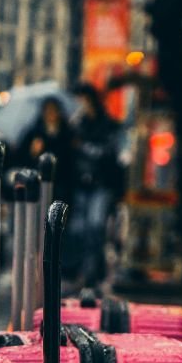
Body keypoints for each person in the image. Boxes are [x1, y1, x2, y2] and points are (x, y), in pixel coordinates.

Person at [67, 81, 125, 287]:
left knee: (95, 226)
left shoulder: (106, 125)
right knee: (80, 230)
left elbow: (110, 155)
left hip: (101, 184)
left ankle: (92, 272)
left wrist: (82, 146)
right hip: (81, 185)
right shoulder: (77, 125)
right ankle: (86, 270)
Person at [22, 96, 75, 202]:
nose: (50, 113)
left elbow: (71, 157)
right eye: (47, 110)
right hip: (40, 183)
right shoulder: (35, 132)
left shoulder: (67, 132)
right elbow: (24, 158)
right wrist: (33, 152)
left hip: (62, 183)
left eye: (54, 110)